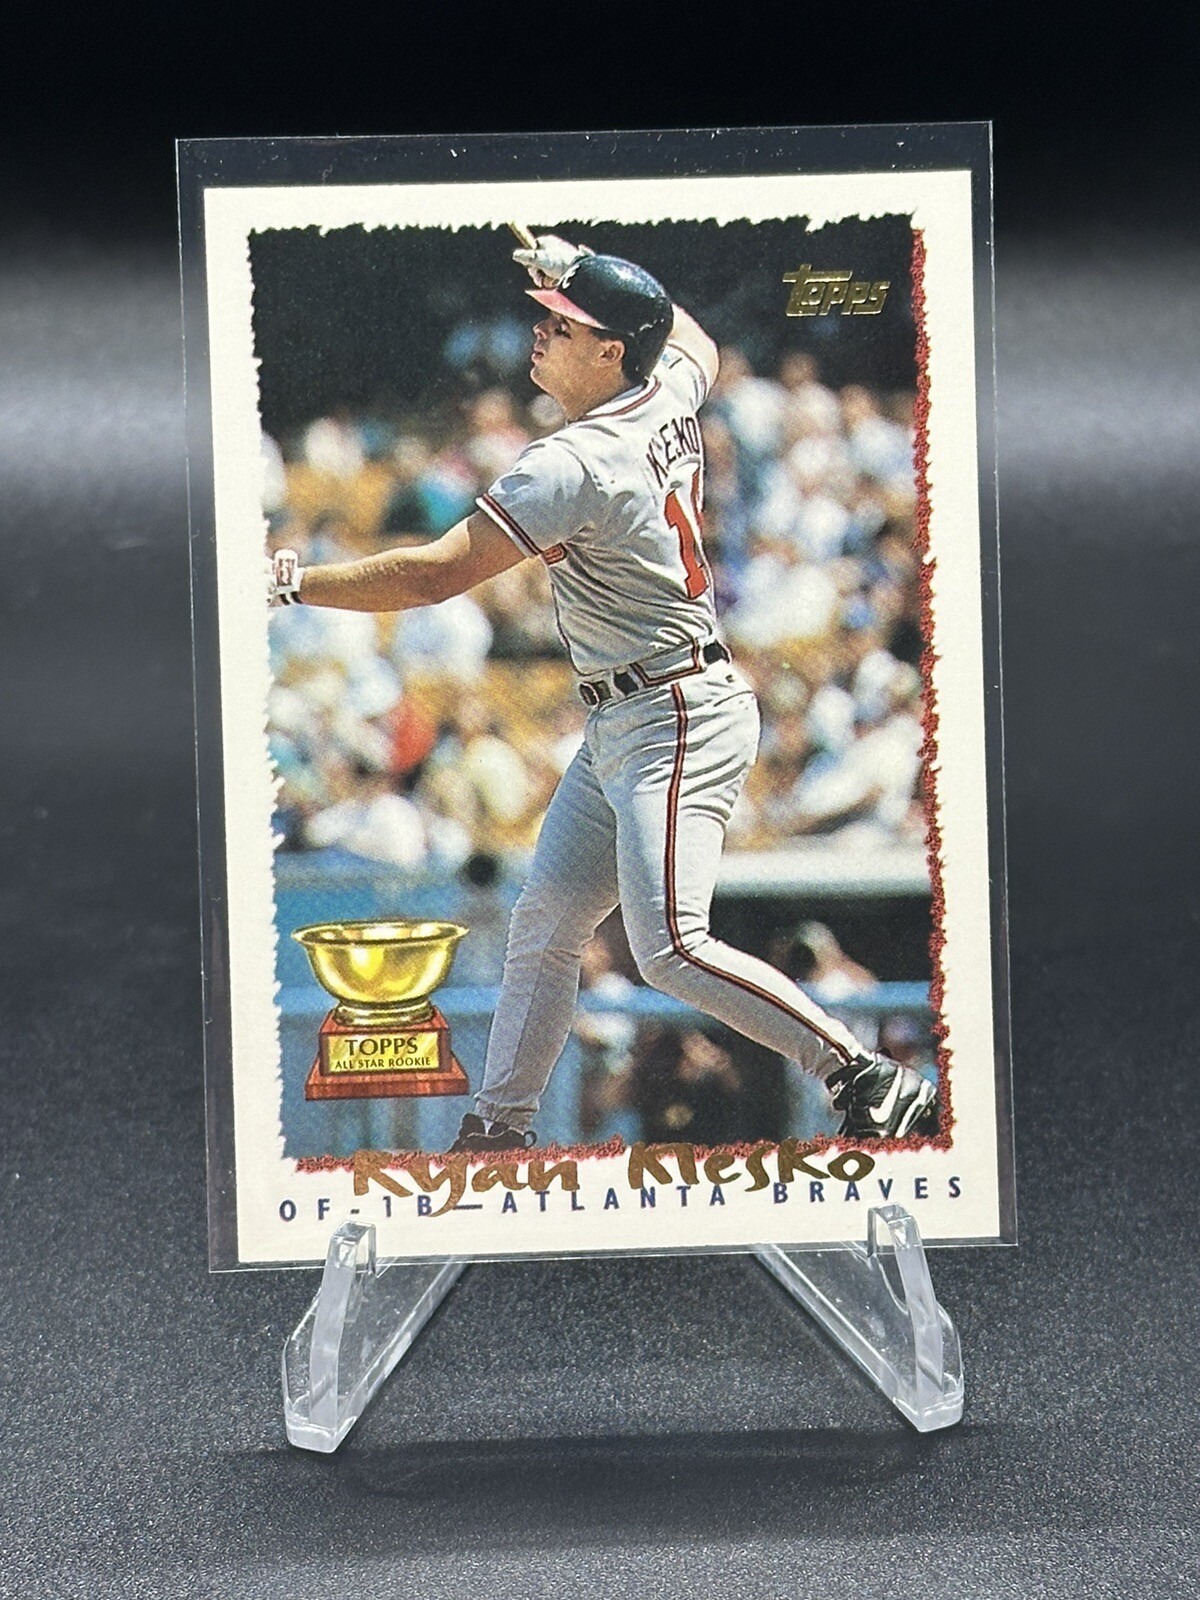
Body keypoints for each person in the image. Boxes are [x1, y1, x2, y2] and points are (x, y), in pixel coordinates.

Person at [271, 233, 937, 1150]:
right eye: (548, 317)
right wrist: (581, 265)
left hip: (675, 711)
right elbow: (692, 340)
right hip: (630, 711)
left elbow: (432, 576)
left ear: (611, 351)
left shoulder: (575, 462)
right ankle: (498, 1130)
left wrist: (293, 582)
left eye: (565, 323)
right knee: (545, 924)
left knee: (671, 947)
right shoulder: (664, 387)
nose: (541, 330)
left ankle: (861, 1074)